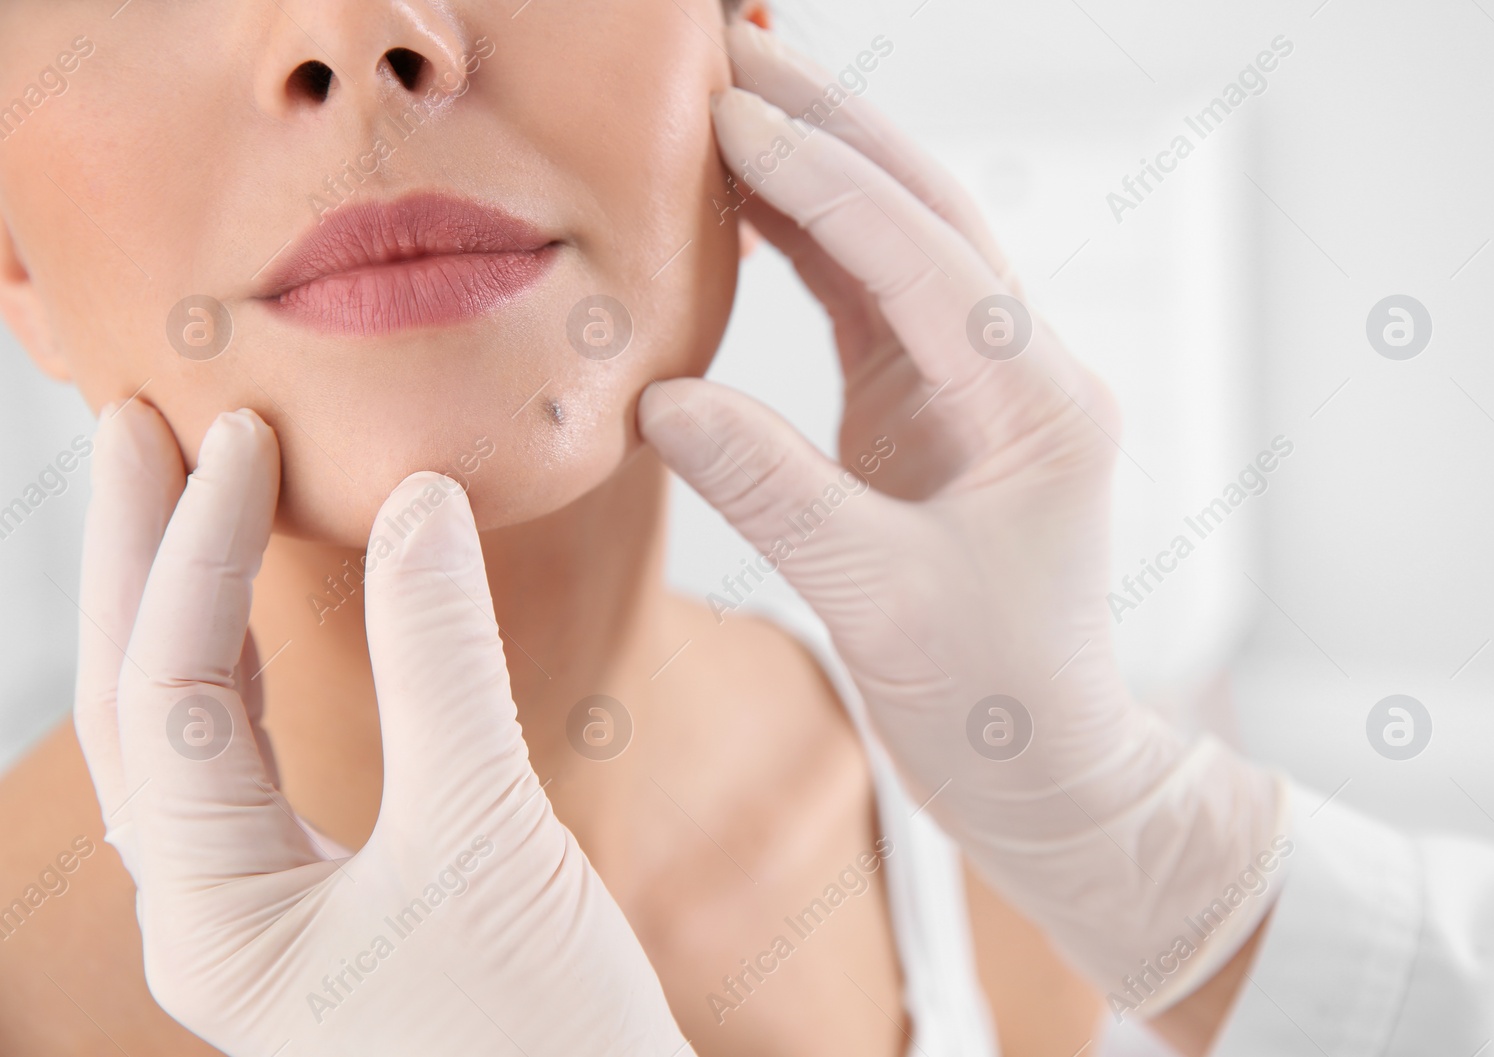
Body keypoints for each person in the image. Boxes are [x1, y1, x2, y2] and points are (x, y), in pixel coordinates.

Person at [0, 2, 1107, 1055]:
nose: (359, 35)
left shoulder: (1012, 829)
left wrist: (1140, 836)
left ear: (742, 66)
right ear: (13, 256)